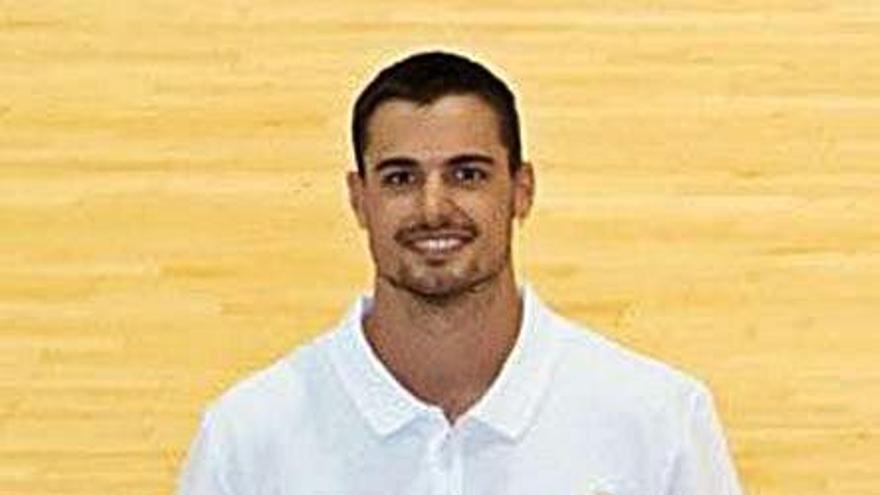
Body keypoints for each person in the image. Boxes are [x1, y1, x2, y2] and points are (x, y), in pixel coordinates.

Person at [177, 51, 744, 495]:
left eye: (467, 174)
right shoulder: (247, 437)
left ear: (521, 190)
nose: (432, 208)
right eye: (400, 178)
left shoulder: (658, 419)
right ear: (358, 199)